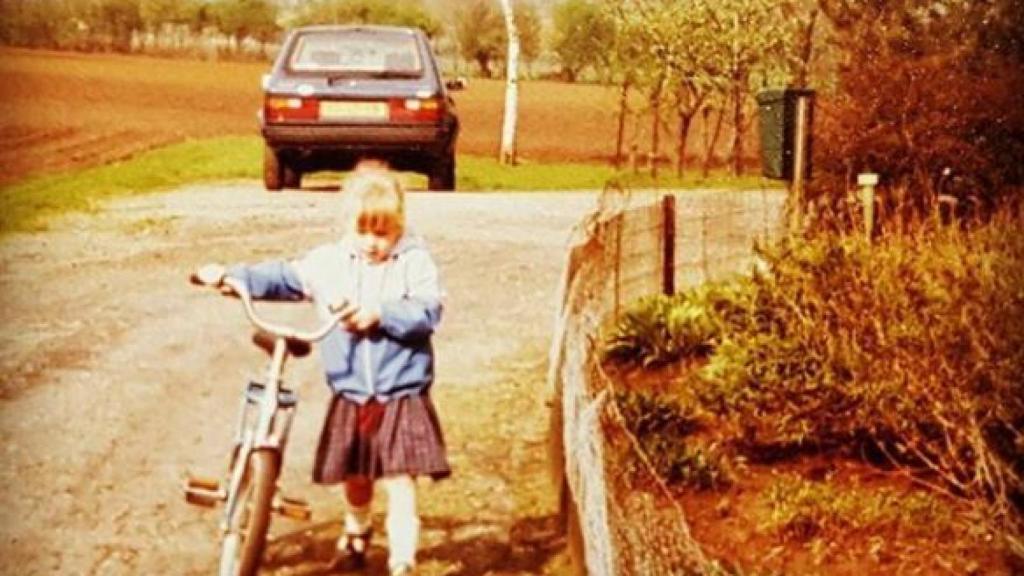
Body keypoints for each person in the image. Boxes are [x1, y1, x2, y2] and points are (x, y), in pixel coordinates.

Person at [196, 166, 450, 576]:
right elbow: (282, 276)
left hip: (400, 392)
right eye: (363, 231)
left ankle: (403, 561)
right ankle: (356, 531)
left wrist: (379, 314)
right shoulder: (329, 263)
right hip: (351, 391)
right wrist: (230, 276)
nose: (372, 243)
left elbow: (427, 310)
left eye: (383, 233)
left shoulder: (414, 262)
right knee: (355, 476)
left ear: (399, 227)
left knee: (402, 480)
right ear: (347, 225)